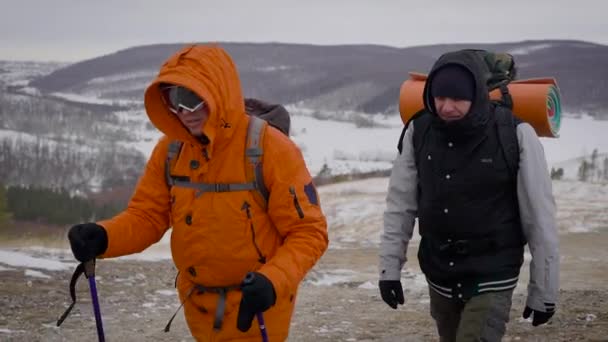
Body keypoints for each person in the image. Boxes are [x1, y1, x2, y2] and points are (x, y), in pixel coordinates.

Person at [67, 44, 328, 341]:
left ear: (218, 94)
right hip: (199, 308)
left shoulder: (271, 149)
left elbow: (309, 232)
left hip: (258, 307)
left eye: (192, 99)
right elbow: (147, 217)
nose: (184, 112)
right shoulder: (171, 150)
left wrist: (273, 281)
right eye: (174, 100)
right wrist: (104, 237)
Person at [378, 50, 559, 341]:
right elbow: (399, 205)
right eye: (440, 97)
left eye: (458, 98)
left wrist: (544, 290)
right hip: (439, 274)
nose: (447, 107)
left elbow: (540, 217)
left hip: (493, 274)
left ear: (476, 95)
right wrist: (389, 269)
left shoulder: (515, 134)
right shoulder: (418, 130)